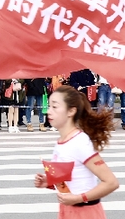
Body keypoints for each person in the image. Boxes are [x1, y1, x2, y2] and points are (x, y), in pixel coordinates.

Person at [34, 86, 119, 219]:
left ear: (71, 111)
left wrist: (79, 198)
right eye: (49, 106)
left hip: (85, 212)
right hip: (68, 210)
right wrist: (49, 183)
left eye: (54, 107)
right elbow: (72, 178)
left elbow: (111, 182)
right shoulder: (61, 141)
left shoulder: (79, 142)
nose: (48, 111)